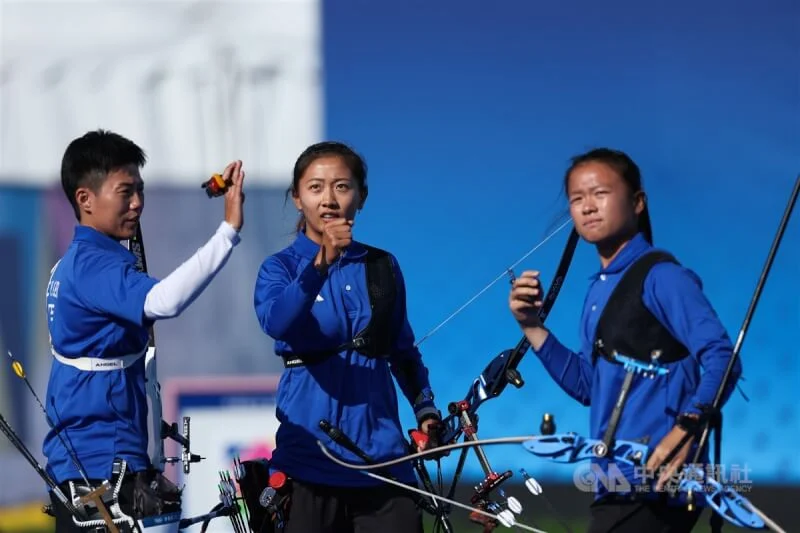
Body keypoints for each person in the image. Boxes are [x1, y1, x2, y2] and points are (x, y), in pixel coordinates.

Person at [508, 148, 742, 533]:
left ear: (637, 203)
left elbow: (723, 358)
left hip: (657, 484)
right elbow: (589, 386)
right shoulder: (598, 289)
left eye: (600, 193)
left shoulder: (663, 277)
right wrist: (531, 326)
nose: (587, 207)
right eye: (576, 199)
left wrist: (688, 429)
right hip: (616, 485)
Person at [43, 129, 246, 532]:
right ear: (85, 199)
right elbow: (164, 301)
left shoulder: (79, 261)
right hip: (103, 471)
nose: (137, 203)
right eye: (124, 192)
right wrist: (229, 230)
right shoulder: (93, 265)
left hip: (89, 468)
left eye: (140, 190)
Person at [253, 141, 441, 533]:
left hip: (384, 465)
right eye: (316, 187)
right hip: (309, 461)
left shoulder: (382, 265)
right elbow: (277, 322)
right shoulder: (280, 268)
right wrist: (321, 262)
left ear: (361, 197)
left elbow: (402, 351)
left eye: (342, 186)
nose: (329, 200)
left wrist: (426, 410)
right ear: (297, 198)